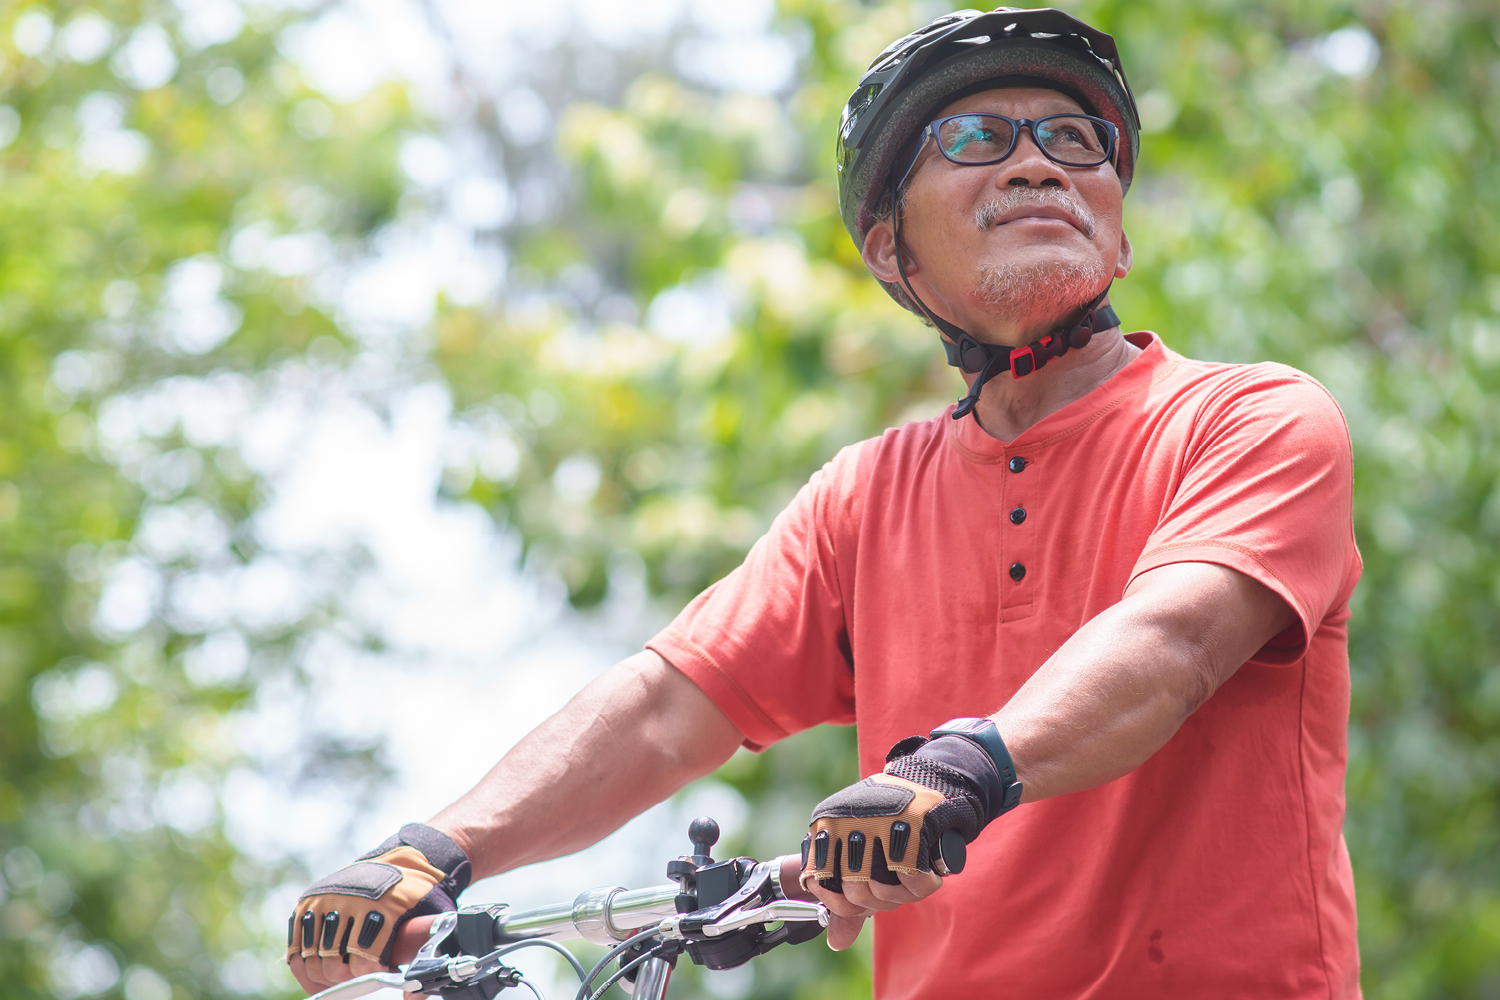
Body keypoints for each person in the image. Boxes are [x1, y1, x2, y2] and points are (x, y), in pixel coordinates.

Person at [286, 7, 1362, 998]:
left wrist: (957, 771)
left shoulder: (1251, 420)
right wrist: (436, 848)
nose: (1038, 161)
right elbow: (666, 709)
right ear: (892, 249)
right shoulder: (865, 499)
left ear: (1119, 234)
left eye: (1075, 140)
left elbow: (1172, 644)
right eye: (976, 138)